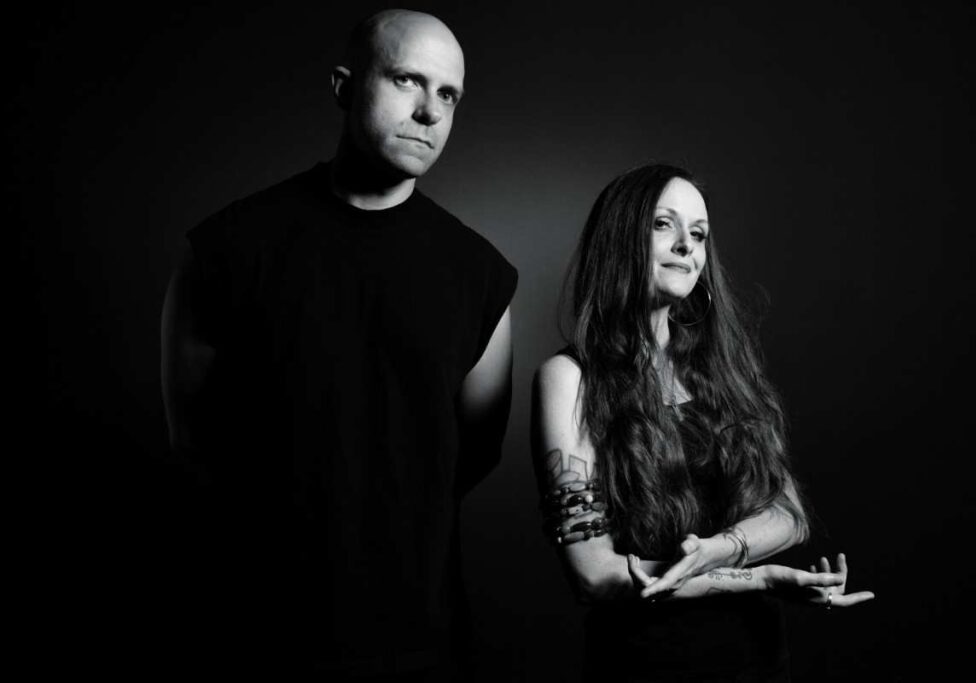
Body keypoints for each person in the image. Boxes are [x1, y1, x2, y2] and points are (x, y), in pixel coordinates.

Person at [160, 9, 517, 680]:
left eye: (449, 95)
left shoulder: (480, 273)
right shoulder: (226, 249)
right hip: (252, 631)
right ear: (344, 87)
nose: (430, 112)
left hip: (417, 636)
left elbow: (472, 452)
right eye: (408, 80)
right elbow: (193, 438)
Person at [531, 164, 873, 681]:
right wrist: (756, 578)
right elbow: (594, 576)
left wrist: (716, 550)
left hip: (758, 659)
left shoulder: (725, 370)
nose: (687, 246)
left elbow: (788, 514)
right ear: (620, 238)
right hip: (645, 664)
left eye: (699, 233)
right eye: (664, 225)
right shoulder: (569, 378)